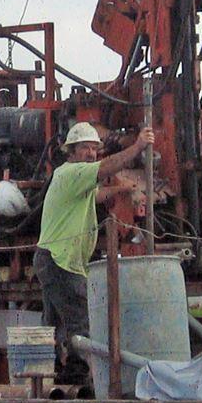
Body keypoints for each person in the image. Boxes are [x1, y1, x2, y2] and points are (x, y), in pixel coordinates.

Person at [34, 122, 155, 386]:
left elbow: (95, 195)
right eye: (85, 148)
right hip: (60, 260)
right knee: (79, 318)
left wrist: (121, 191)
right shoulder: (72, 173)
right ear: (72, 151)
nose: (91, 153)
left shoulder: (72, 178)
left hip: (55, 258)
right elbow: (108, 167)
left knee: (54, 322)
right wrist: (138, 146)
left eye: (93, 148)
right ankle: (77, 378)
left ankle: (53, 377)